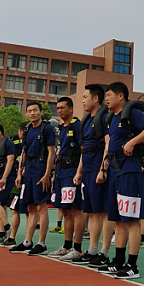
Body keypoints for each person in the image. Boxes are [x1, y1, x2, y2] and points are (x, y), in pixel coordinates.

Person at [98, 82, 144, 279]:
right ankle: (118, 261)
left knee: (131, 219)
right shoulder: (112, 118)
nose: (106, 99)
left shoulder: (131, 113)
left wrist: (132, 142)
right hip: (114, 171)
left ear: (120, 96)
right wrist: (103, 168)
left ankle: (132, 265)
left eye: (109, 95)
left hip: (129, 170)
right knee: (117, 219)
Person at [71, 84, 111, 266]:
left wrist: (103, 169)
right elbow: (84, 149)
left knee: (103, 212)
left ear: (96, 98)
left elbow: (108, 145)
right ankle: (92, 250)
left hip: (98, 169)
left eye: (85, 97)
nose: (83, 101)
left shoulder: (104, 118)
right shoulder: (86, 120)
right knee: (93, 212)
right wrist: (79, 171)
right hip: (87, 170)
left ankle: (104, 252)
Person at [10, 103, 55, 255]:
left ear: (41, 112)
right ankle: (27, 242)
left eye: (35, 110)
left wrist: (47, 174)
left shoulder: (46, 128)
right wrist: (19, 173)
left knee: (41, 206)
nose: (32, 113)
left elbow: (51, 152)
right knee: (30, 207)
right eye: (29, 111)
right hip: (28, 171)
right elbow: (23, 152)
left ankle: (42, 243)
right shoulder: (28, 129)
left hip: (40, 170)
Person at [48, 97, 85, 262]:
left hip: (72, 171)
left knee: (75, 210)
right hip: (61, 172)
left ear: (71, 109)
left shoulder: (77, 126)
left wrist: (79, 172)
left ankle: (78, 248)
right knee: (65, 210)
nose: (60, 111)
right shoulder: (61, 128)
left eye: (63, 107)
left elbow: (83, 150)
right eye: (58, 108)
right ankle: (67, 246)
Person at [4, 122, 28, 247]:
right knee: (14, 208)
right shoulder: (22, 145)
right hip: (22, 180)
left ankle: (27, 240)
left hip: (28, 180)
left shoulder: (30, 144)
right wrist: (19, 174)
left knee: (30, 211)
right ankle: (12, 237)